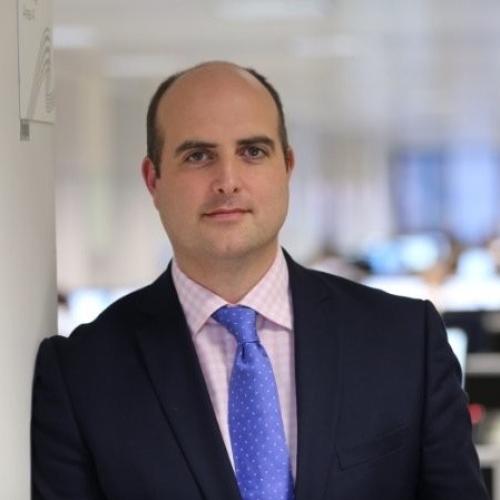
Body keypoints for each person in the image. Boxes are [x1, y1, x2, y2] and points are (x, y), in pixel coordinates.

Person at [31, 61, 489, 500]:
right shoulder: (81, 374)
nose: (227, 181)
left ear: (286, 167)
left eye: (252, 152)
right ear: (154, 180)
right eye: (198, 155)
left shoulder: (405, 340)